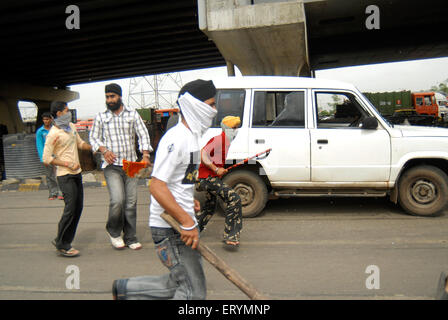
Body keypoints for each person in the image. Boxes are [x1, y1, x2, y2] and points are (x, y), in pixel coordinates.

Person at [112, 79, 217, 300]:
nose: (214, 110)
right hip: (172, 229)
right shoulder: (177, 139)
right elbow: (157, 185)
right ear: (194, 105)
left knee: (178, 283)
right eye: (211, 104)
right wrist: (186, 222)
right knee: (193, 293)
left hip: (180, 224)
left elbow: (178, 181)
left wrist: (188, 201)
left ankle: (124, 290)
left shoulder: (192, 137)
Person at [89, 83, 152, 250]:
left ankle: (131, 237)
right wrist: (103, 149)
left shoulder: (132, 114)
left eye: (112, 96)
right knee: (118, 200)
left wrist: (145, 155)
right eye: (107, 97)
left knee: (131, 202)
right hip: (112, 166)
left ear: (120, 96)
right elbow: (93, 138)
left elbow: (143, 134)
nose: (109, 100)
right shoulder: (101, 116)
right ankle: (114, 232)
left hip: (131, 164)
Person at [43, 101, 92, 257]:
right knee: (70, 208)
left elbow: (80, 143)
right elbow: (46, 158)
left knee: (78, 208)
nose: (69, 113)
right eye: (66, 110)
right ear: (59, 114)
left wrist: (92, 147)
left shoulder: (70, 127)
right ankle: (62, 243)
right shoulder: (53, 134)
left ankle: (63, 240)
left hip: (76, 173)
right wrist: (65, 163)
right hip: (64, 175)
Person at [196, 116, 243, 248]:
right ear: (227, 128)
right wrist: (216, 169)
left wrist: (219, 170)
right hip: (206, 178)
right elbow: (203, 154)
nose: (236, 131)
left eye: (237, 128)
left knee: (210, 207)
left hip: (210, 177)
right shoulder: (219, 139)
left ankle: (192, 230)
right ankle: (231, 235)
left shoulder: (226, 141)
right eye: (234, 128)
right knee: (234, 199)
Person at [36, 112, 63, 200]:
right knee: (49, 175)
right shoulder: (40, 131)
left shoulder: (55, 129)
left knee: (59, 174)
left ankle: (61, 192)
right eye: (44, 119)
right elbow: (40, 145)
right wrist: (43, 158)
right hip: (47, 156)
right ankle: (52, 193)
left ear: (51, 119)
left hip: (57, 155)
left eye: (47, 119)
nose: (46, 121)